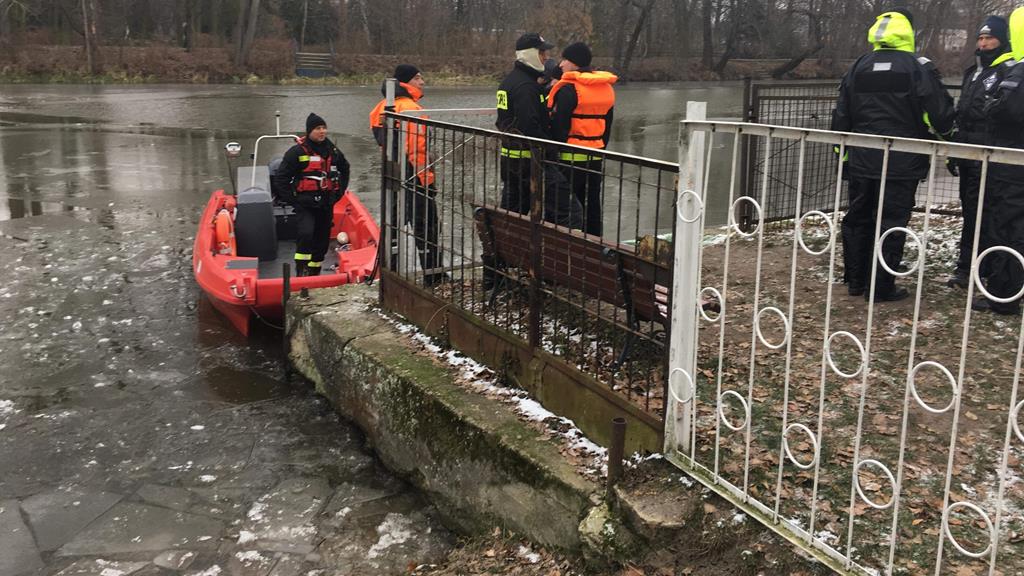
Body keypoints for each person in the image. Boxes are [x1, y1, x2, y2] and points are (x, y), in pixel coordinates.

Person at [831, 9, 955, 301]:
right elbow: (939, 113)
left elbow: (841, 114)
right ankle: (881, 286)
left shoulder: (859, 66)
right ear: (908, 32)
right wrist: (949, 140)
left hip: (862, 157)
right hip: (903, 159)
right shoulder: (917, 67)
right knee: (892, 221)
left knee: (858, 217)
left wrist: (842, 154)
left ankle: (856, 280)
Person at [947, 15, 1013, 289]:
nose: (984, 44)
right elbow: (962, 115)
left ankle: (990, 267)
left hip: (994, 154)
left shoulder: (1008, 71)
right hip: (968, 154)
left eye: (990, 38)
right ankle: (967, 265)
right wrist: (955, 150)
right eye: (981, 38)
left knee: (993, 214)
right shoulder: (972, 72)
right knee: (971, 212)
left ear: (1002, 40)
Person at [495, 32, 583, 228]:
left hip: (512, 159)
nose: (546, 57)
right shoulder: (526, 87)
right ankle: (561, 256)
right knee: (571, 211)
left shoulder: (510, 81)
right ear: (530, 54)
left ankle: (504, 255)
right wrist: (551, 148)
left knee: (513, 214)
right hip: (532, 161)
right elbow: (530, 127)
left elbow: (507, 121)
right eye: (542, 53)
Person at [369, 64, 445, 285]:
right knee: (427, 226)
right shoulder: (411, 109)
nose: (422, 82)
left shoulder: (381, 107)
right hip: (414, 174)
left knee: (393, 223)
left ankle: (390, 273)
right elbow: (416, 150)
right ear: (406, 82)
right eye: (418, 78)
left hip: (392, 173)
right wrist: (427, 179)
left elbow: (385, 144)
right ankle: (434, 275)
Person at [974, 7, 1024, 315]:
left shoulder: (1018, 70)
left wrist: (991, 105)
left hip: (1012, 161)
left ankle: (1004, 295)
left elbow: (1004, 110)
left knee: (1010, 225)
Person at [547, 42, 617, 236]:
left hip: (569, 158)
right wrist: (600, 148)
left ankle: (564, 246)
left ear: (574, 63)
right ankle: (596, 245)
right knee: (592, 204)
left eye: (565, 60)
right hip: (595, 156)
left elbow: (560, 127)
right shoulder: (606, 89)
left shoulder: (568, 90)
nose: (561, 64)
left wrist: (553, 154)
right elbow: (607, 125)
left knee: (565, 206)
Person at [271, 113, 350, 277]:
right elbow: (281, 179)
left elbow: (345, 168)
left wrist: (339, 192)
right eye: (317, 128)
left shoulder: (332, 151)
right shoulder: (297, 152)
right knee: (306, 233)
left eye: (323, 128)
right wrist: (293, 200)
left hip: (326, 203)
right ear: (309, 131)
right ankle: (301, 270)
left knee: (322, 239)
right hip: (305, 203)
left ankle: (315, 271)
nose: (322, 132)